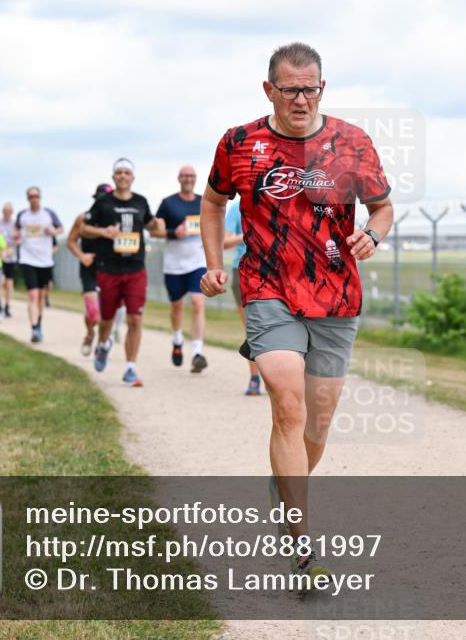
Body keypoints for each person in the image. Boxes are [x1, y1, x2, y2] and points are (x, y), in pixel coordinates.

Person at [199, 43, 394, 583]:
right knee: (287, 406)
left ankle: (282, 485)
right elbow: (213, 203)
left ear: (323, 89)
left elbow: (382, 206)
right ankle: (302, 543)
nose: (302, 99)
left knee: (319, 418)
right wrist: (215, 264)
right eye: (291, 90)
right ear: (269, 90)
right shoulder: (239, 143)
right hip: (267, 287)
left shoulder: (352, 142)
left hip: (335, 295)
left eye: (311, 89)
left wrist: (373, 234)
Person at [81, 158, 164, 387]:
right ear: (113, 177)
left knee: (135, 318)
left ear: (133, 177)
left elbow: (148, 224)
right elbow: (84, 229)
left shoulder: (140, 201)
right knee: (106, 320)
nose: (123, 176)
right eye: (119, 172)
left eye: (127, 172)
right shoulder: (103, 202)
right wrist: (103, 231)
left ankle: (130, 367)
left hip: (136, 269)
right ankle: (103, 345)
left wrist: (156, 224)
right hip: (109, 269)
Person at [156, 166, 209, 373]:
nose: (188, 179)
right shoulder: (168, 203)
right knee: (177, 306)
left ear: (196, 179)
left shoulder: (203, 202)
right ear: (179, 178)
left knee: (198, 303)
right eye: (185, 176)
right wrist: (172, 232)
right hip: (174, 265)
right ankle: (177, 340)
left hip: (197, 262)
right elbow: (156, 231)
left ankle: (197, 352)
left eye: (192, 176)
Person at [68, 183, 113, 356]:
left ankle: (103, 340)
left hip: (109, 268)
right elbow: (71, 241)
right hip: (89, 267)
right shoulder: (83, 218)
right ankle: (90, 334)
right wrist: (81, 256)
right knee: (94, 312)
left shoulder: (114, 221)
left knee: (107, 310)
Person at [14, 186, 64, 343]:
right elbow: (16, 232)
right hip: (27, 259)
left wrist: (53, 232)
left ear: (40, 198)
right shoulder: (22, 215)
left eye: (36, 196)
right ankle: (34, 328)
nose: (33, 199)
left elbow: (61, 228)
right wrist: (17, 238)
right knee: (32, 295)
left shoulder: (48, 214)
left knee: (42, 295)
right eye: (31, 196)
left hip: (45, 260)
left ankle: (39, 324)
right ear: (27, 199)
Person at [224, 202, 262, 395]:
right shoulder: (236, 208)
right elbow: (225, 242)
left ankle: (282, 377)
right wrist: (249, 233)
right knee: (252, 327)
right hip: (243, 270)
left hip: (273, 271)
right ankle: (254, 378)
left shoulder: (275, 198)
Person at [0, 203, 18, 318]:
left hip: (11, 256)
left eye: (10, 211)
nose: (7, 213)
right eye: (5, 211)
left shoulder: (15, 224)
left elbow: (20, 239)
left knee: (9, 282)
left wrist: (12, 248)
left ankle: (7, 305)